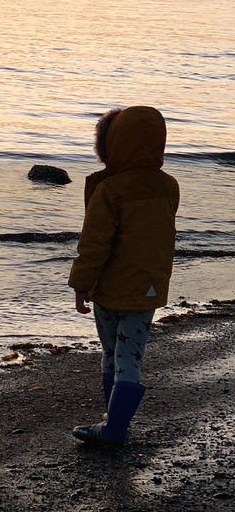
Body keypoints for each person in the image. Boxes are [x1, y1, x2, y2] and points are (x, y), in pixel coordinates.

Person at [68, 105, 179, 444]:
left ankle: (113, 425)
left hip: (110, 290)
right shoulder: (168, 186)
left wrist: (80, 285)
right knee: (131, 355)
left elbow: (94, 245)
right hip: (147, 289)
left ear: (110, 146)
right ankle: (115, 422)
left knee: (112, 353)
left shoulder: (110, 190)